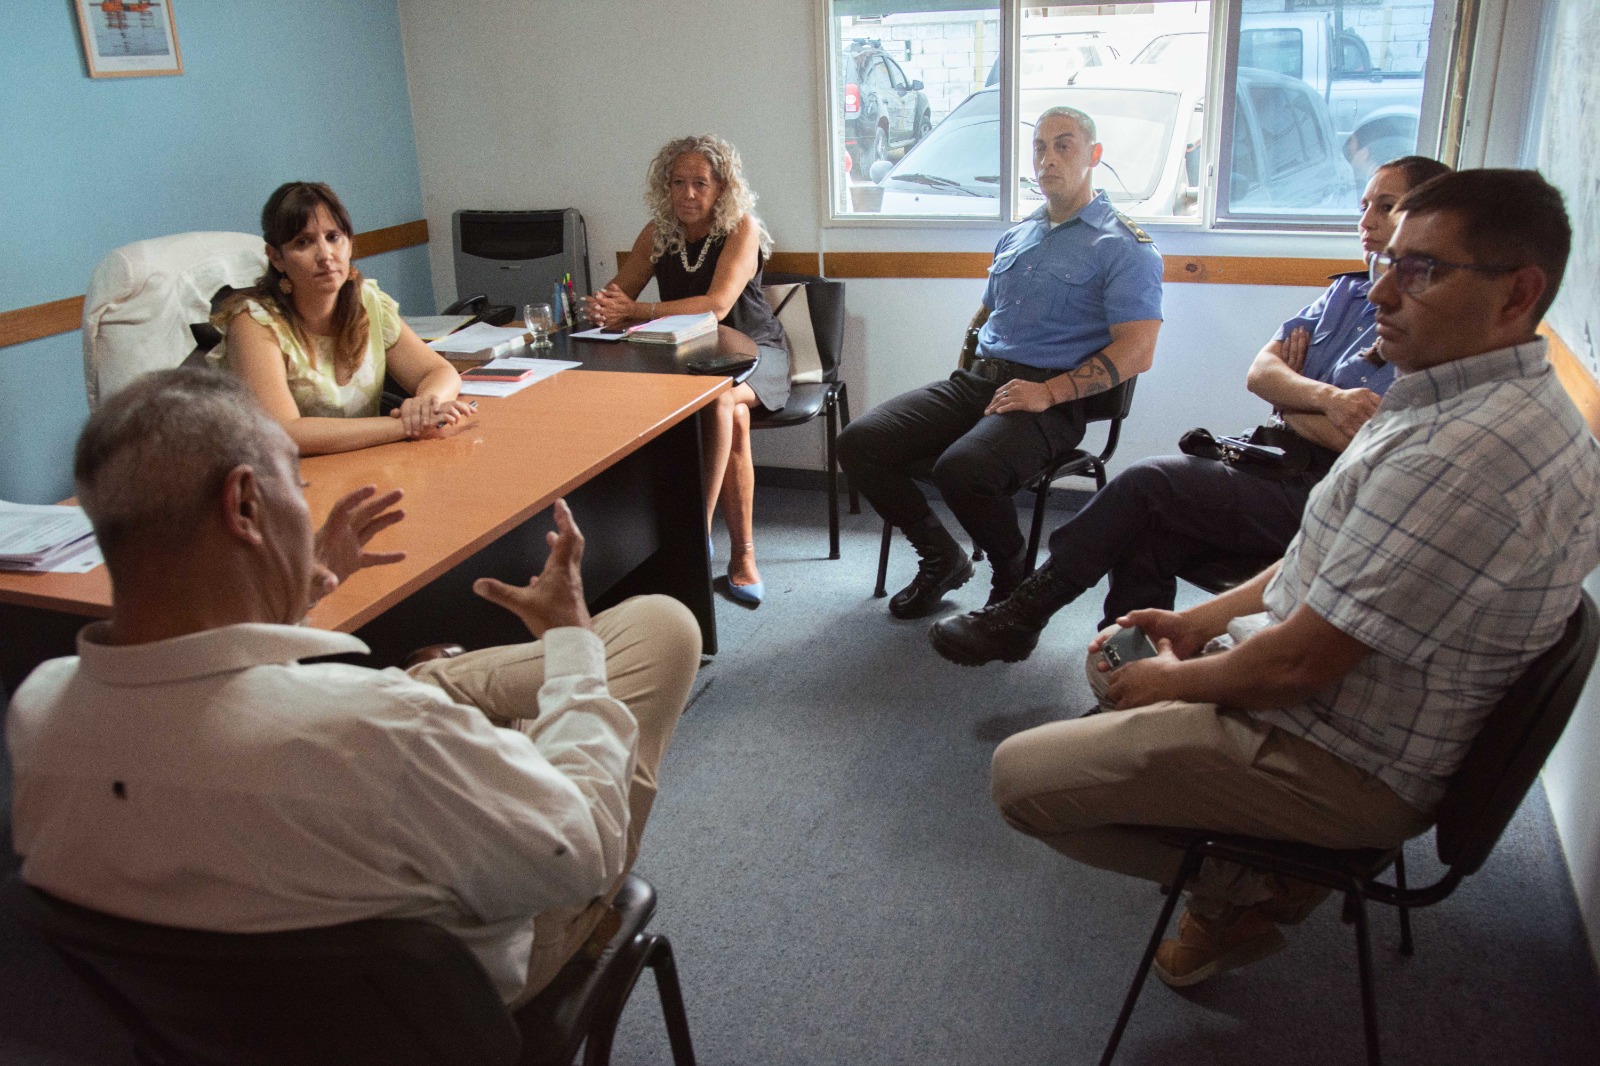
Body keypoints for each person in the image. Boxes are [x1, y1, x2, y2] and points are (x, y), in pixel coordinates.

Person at [988, 169, 1600, 987]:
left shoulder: (1466, 456)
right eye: (1391, 260)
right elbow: (1325, 541)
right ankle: (1243, 871)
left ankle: (1255, 885)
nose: (1383, 289)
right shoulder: (1471, 398)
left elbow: (1297, 668)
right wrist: (1205, 627)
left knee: (1020, 779)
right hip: (1338, 697)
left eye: (1420, 271)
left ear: (1517, 293)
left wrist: (1178, 684)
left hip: (1340, 755)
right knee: (1122, 648)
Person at [7, 368, 701, 1005]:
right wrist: (571, 646)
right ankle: (516, 707)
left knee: (431, 690)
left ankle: (459, 694)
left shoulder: (38, 708)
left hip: (184, 1019)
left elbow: (215, 705)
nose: (303, 511)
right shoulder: (377, 733)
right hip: (442, 1003)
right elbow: (583, 850)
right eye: (296, 489)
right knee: (663, 629)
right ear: (245, 505)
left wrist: (286, 599)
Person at [931, 156, 1452, 666]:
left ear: (1427, 219)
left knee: (1148, 483)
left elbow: (1370, 442)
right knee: (1148, 530)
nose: (1365, 222)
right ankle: (1123, 676)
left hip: (1332, 494)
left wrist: (1292, 399)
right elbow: (1261, 374)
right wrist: (1326, 400)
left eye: (1386, 206)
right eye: (1364, 205)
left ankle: (1025, 612)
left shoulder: (1430, 324)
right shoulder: (1346, 292)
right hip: (1273, 460)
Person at [836, 106, 1164, 620]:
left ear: (1094, 155)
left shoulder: (1123, 246)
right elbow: (986, 314)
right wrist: (967, 374)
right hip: (979, 383)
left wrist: (1049, 393)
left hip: (1049, 399)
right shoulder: (1019, 235)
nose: (1048, 158)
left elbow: (1137, 349)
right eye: (1039, 147)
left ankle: (1016, 578)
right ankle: (941, 557)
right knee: (860, 442)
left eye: (1064, 144)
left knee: (963, 470)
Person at [586, 135, 791, 606]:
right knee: (730, 416)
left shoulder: (742, 227)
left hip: (755, 351)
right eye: (678, 183)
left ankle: (694, 535)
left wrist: (634, 312)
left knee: (720, 399)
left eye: (700, 183)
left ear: (722, 188)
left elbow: (716, 307)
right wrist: (603, 307)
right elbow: (619, 294)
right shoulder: (658, 231)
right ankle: (741, 557)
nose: (688, 194)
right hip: (688, 357)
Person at [210, 181, 477, 456]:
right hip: (291, 480)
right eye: (303, 242)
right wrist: (404, 426)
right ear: (276, 258)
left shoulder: (367, 301)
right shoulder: (254, 322)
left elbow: (439, 372)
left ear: (349, 243)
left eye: (333, 237)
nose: (325, 255)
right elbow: (284, 432)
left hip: (370, 464)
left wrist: (426, 404)